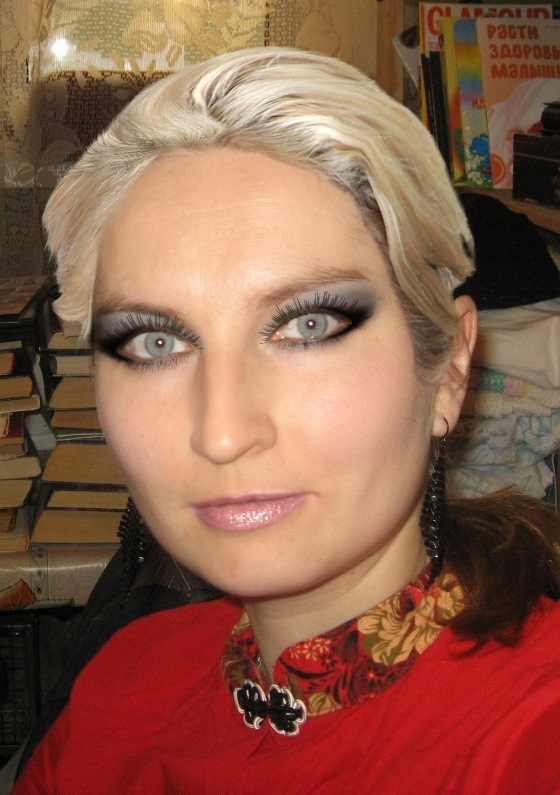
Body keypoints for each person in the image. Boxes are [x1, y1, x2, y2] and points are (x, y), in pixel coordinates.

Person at [12, 48, 560, 793]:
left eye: (308, 326)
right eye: (155, 343)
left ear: (449, 369)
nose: (223, 433)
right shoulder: (122, 684)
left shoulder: (531, 736)